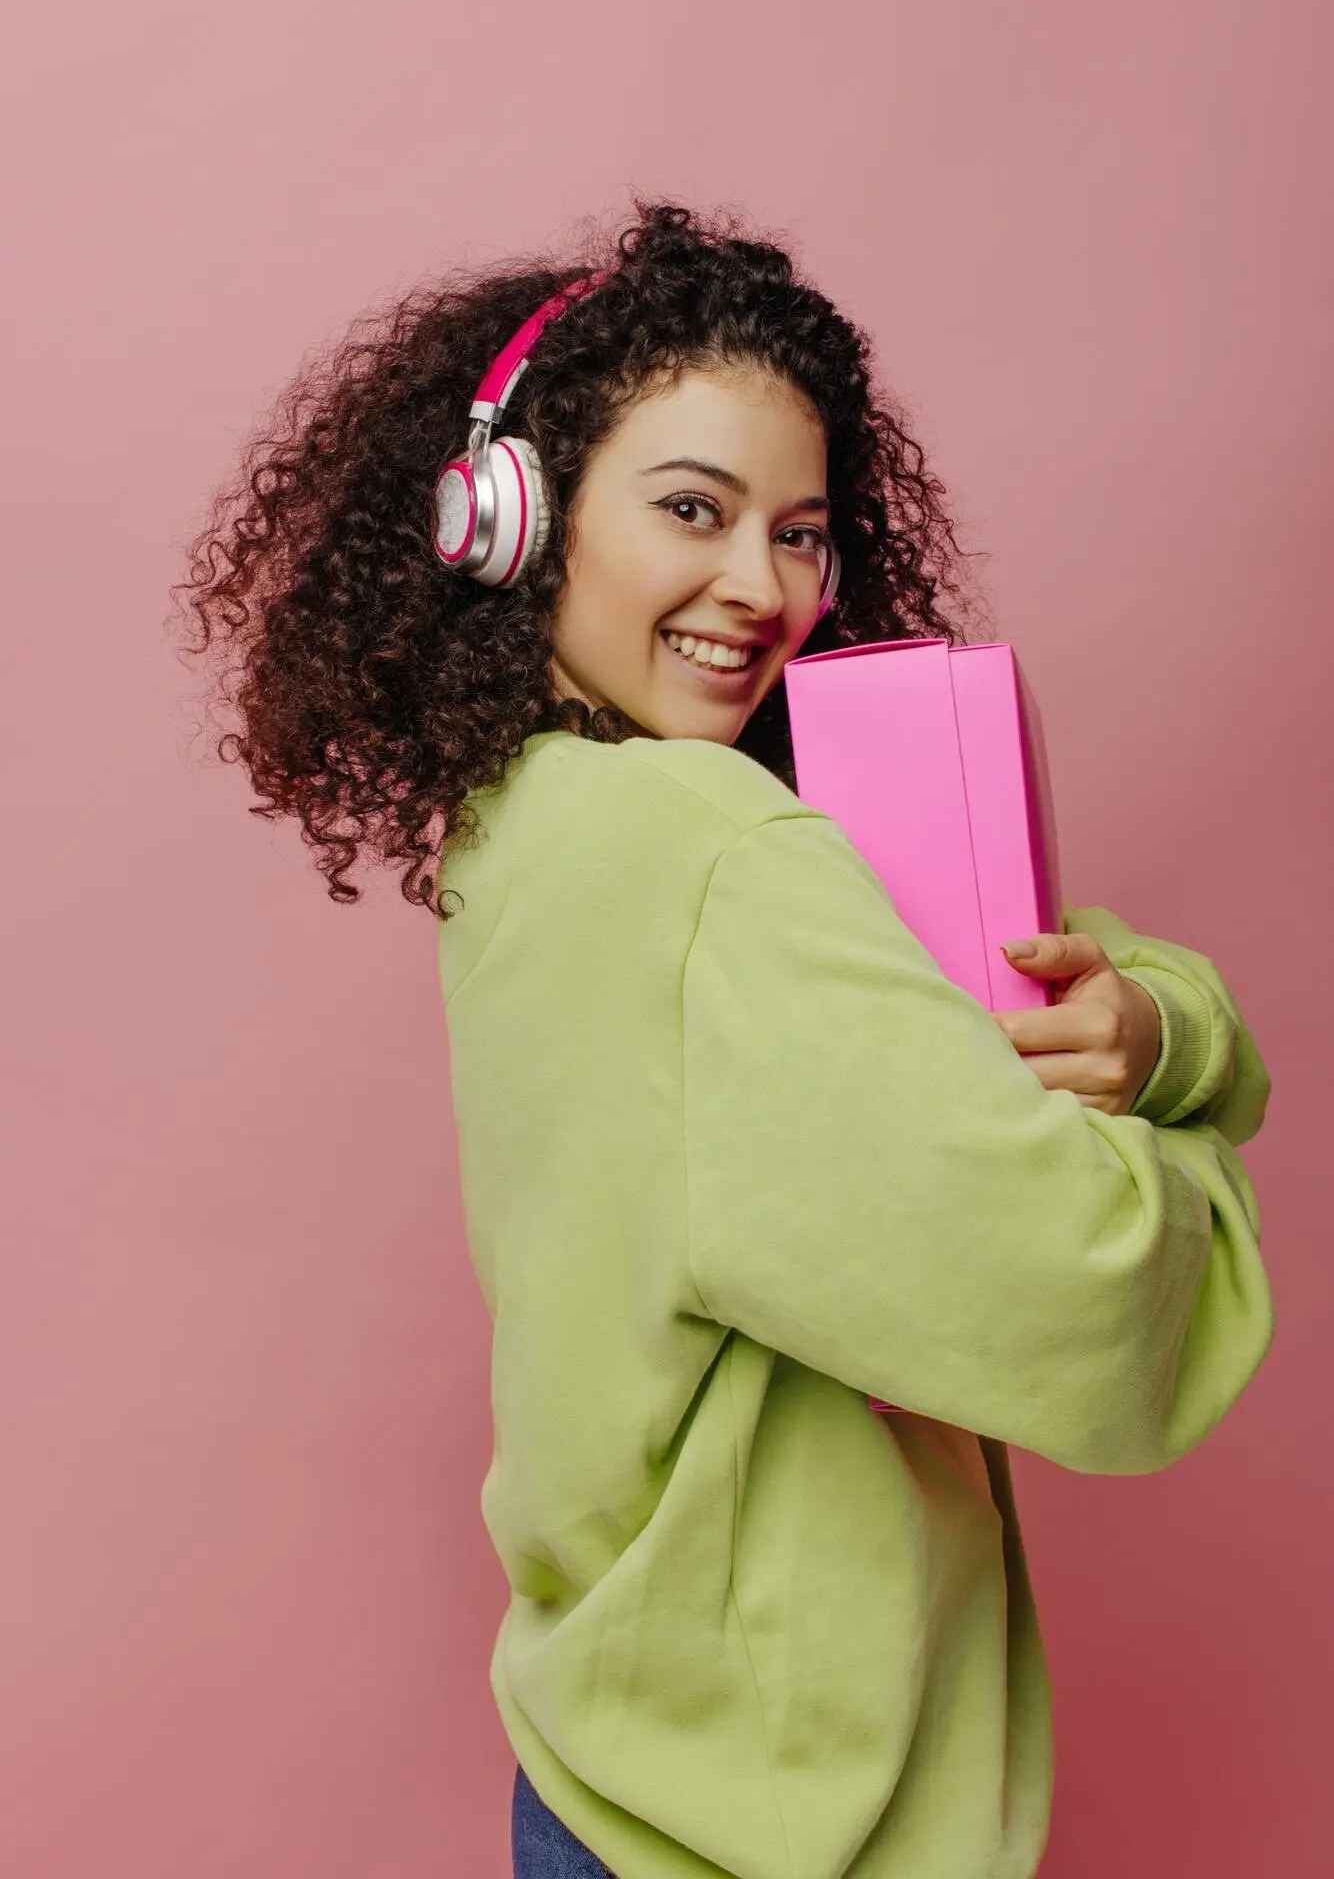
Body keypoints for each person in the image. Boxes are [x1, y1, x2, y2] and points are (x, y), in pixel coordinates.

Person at [178, 203, 1273, 1879]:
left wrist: (1140, 1016)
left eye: (801, 533)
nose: (760, 590)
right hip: (770, 1833)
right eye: (691, 509)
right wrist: (1190, 1083)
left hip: (613, 1771)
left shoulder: (528, 827)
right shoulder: (704, 847)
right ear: (510, 515)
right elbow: (1098, 1299)